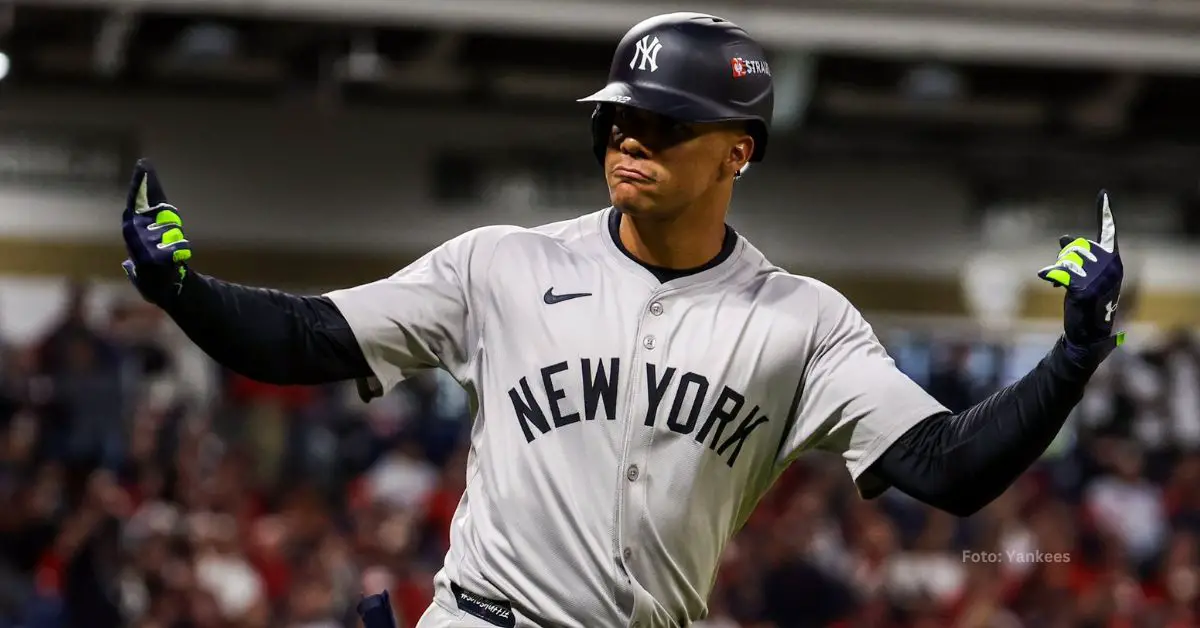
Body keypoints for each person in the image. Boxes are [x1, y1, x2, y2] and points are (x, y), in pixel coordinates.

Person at [119, 12, 1125, 628]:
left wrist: (1075, 354)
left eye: (665, 124)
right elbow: (307, 337)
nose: (630, 138)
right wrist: (182, 291)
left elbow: (950, 469)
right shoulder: (501, 264)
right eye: (618, 117)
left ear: (739, 152)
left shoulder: (802, 322)